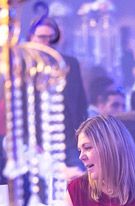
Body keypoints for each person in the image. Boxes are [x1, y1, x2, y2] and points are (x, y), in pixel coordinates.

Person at [28, 12, 88, 170]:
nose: (47, 42)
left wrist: (82, 136)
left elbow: (81, 102)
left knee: (78, 178)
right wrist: (31, 140)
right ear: (31, 38)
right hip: (37, 141)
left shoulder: (70, 64)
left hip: (68, 138)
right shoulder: (23, 66)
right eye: (42, 37)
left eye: (51, 37)